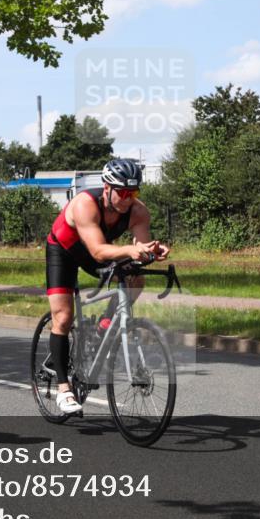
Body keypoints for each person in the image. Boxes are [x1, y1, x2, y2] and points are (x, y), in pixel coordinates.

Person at [45, 159, 170, 413]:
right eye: (122, 193)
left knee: (136, 279)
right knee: (64, 316)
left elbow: (140, 251)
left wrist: (152, 252)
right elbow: (98, 251)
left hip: (97, 250)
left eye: (133, 193)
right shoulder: (85, 204)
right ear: (106, 188)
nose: (128, 199)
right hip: (64, 250)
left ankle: (103, 327)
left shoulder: (138, 211)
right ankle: (64, 389)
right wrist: (131, 250)